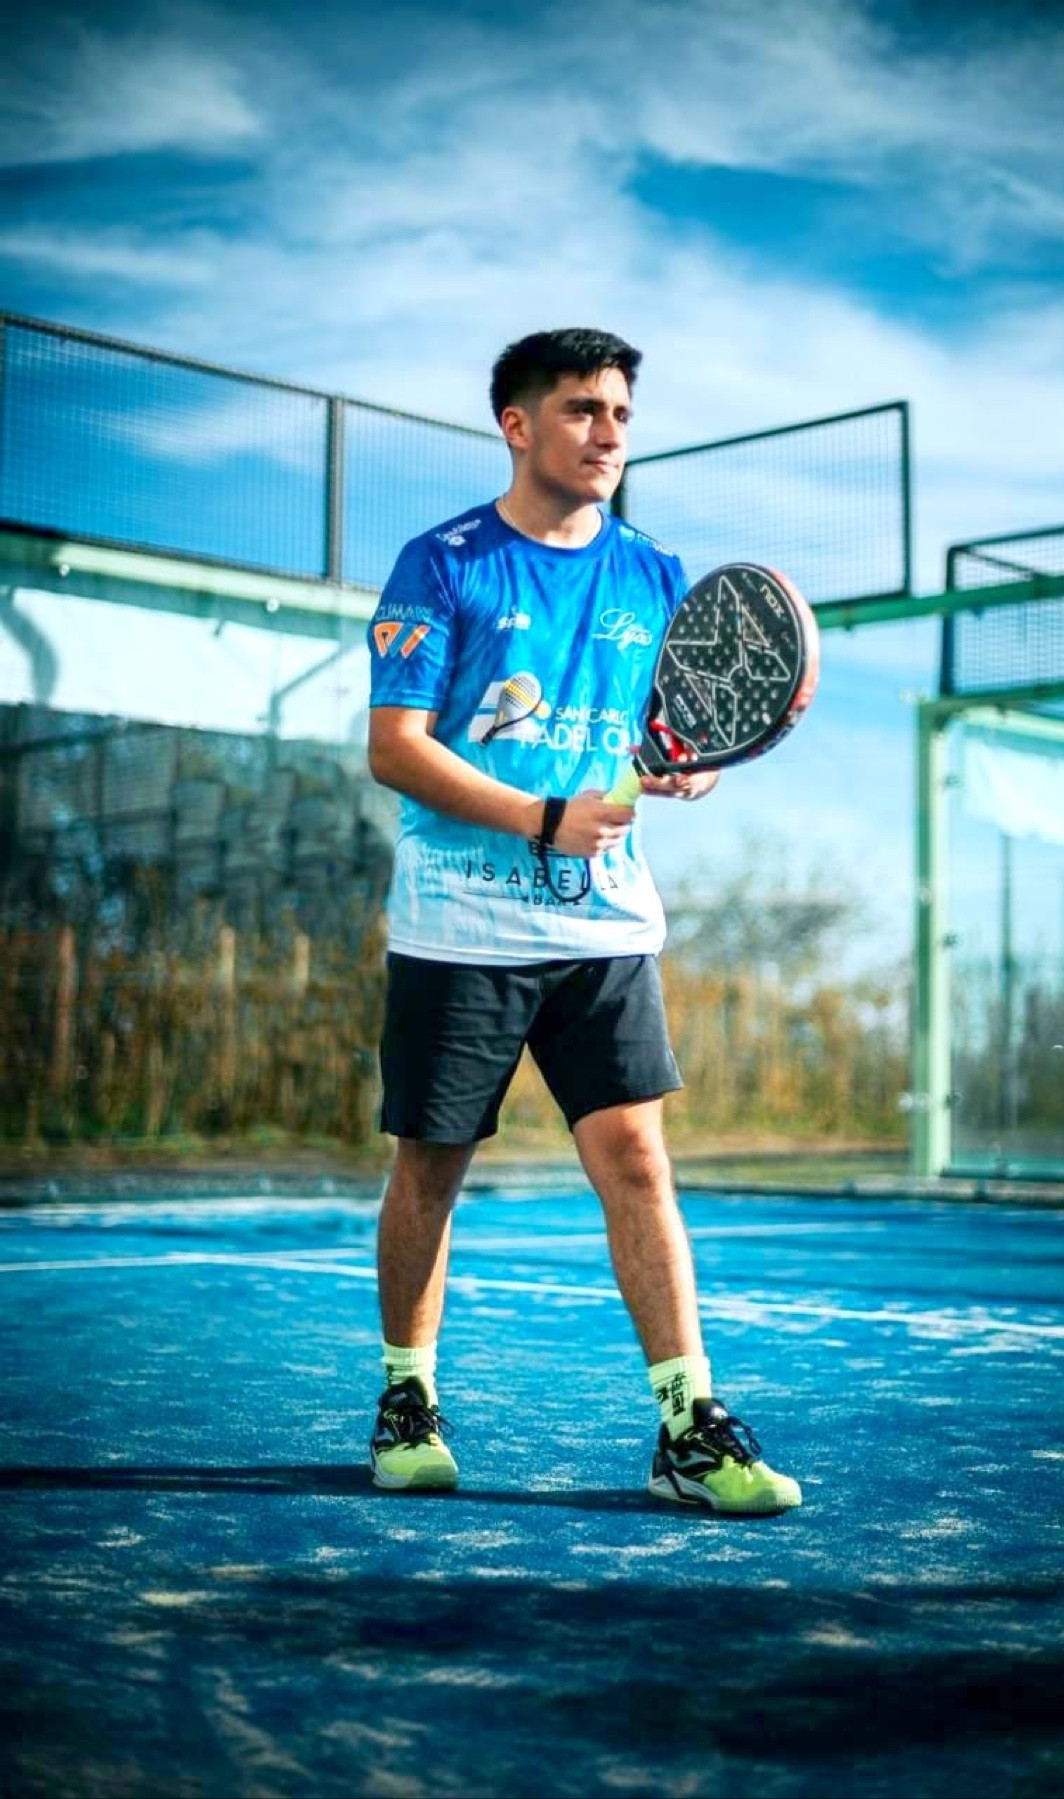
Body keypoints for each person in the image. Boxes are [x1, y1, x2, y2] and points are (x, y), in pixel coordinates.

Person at [364, 327, 800, 1515]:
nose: (608, 433)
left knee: (639, 1159)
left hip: (605, 928)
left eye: (620, 414)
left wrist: (686, 770)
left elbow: (665, 740)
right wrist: (538, 815)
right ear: (517, 425)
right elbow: (395, 747)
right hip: (459, 925)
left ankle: (687, 1425)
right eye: (581, 410)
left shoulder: (656, 573)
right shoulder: (442, 563)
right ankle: (407, 1397)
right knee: (431, 1166)